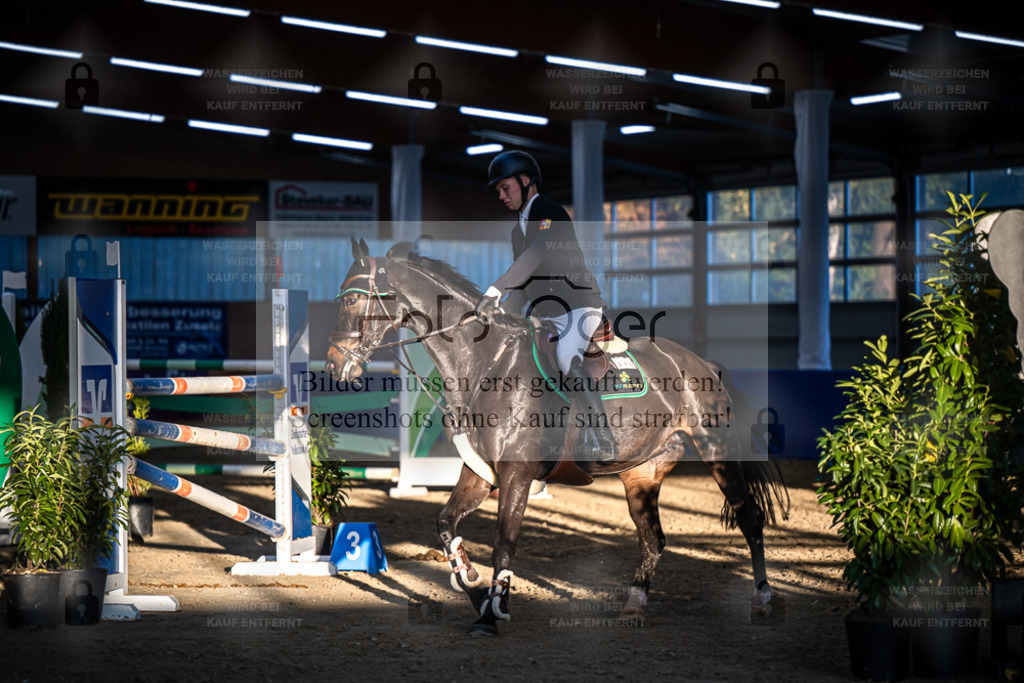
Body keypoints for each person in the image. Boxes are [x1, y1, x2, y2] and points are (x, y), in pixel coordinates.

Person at [474, 150, 618, 463]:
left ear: (525, 182)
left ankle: (604, 439)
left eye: (505, 187)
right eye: (498, 190)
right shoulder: (518, 230)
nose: (501, 195)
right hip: (548, 314)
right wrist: (502, 316)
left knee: (567, 356)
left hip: (579, 307)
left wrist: (495, 290)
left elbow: (536, 255)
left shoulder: (553, 213)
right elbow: (525, 284)